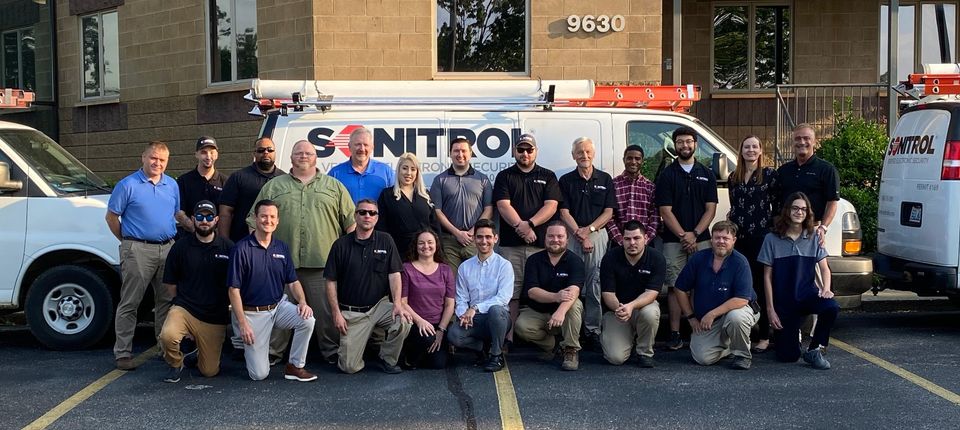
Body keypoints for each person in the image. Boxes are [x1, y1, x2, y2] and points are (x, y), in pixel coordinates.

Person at [249, 140, 355, 365]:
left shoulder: (334, 187)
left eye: (308, 153)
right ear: (291, 158)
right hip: (280, 265)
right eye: (298, 153)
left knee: (326, 313)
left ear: (316, 157)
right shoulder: (274, 186)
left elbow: (351, 224)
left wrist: (349, 258)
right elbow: (253, 220)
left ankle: (330, 351)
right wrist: (259, 254)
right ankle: (274, 352)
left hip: (322, 264)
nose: (303, 156)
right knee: (277, 310)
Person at [105, 141, 179, 370]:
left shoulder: (171, 185)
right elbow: (111, 217)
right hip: (137, 249)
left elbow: (175, 213)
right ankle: (123, 353)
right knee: (131, 302)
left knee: (166, 301)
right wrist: (128, 242)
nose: (157, 163)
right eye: (153, 158)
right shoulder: (127, 185)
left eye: (162, 160)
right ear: (143, 157)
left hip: (167, 249)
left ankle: (164, 349)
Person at [228, 200, 317, 382]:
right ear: (255, 218)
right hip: (253, 314)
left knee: (307, 320)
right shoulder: (241, 249)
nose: (267, 220)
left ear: (277, 221)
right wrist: (243, 323)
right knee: (259, 374)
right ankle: (244, 341)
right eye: (263, 216)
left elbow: (293, 282)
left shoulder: (281, 247)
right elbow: (233, 290)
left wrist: (302, 302)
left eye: (272, 217)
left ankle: (295, 366)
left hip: (278, 307)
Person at [325, 199, 413, 374]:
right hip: (352, 313)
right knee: (349, 367)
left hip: (379, 306)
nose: (367, 216)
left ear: (377, 218)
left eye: (372, 213)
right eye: (363, 212)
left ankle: (386, 358)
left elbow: (394, 274)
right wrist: (336, 313)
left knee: (404, 320)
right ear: (355, 216)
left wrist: (397, 304)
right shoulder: (340, 245)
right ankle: (360, 352)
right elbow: (330, 281)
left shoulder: (386, 240)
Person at [494, 133, 562, 345]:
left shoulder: (548, 175)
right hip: (511, 245)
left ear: (536, 152)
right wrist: (522, 228)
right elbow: (503, 205)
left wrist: (530, 224)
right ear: (515, 151)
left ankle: (550, 336)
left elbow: (552, 206)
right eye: (521, 149)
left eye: (529, 149)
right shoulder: (504, 176)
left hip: (541, 245)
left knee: (545, 290)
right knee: (511, 293)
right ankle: (509, 337)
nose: (525, 153)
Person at [758, 192, 839, 370]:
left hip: (807, 296)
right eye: (795, 208)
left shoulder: (814, 237)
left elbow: (824, 268)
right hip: (784, 304)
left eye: (803, 209)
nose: (799, 212)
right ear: (787, 211)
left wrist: (826, 289)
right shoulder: (771, 239)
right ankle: (793, 340)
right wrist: (770, 310)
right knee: (788, 357)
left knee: (831, 307)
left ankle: (814, 349)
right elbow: (767, 277)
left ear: (808, 213)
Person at [655, 126, 718, 351]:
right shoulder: (667, 175)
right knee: (675, 286)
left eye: (689, 141)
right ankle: (674, 333)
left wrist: (695, 234)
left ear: (696, 144)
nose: (685, 145)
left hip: (702, 239)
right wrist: (684, 235)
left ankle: (698, 331)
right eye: (680, 142)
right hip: (674, 240)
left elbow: (711, 209)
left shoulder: (707, 174)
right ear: (674, 145)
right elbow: (665, 211)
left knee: (701, 285)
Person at [158, 201, 234, 383]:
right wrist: (179, 304)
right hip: (185, 309)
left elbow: (235, 284)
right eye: (200, 217)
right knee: (168, 336)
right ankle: (175, 363)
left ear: (216, 220)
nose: (204, 221)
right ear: (193, 219)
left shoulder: (228, 247)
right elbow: (170, 283)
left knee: (209, 371)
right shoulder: (180, 247)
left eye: (209, 217)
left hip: (214, 316)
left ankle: (195, 353)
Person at [674, 221, 758, 370]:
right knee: (702, 358)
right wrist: (691, 317)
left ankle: (742, 355)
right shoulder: (698, 259)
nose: (721, 241)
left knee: (736, 318)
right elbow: (679, 288)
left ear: (734, 240)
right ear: (711, 239)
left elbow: (742, 299)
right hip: (709, 321)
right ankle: (729, 347)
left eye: (725, 238)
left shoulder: (740, 262)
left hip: (738, 311)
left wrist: (712, 314)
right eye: (717, 237)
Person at [558, 137, 616, 348]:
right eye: (580, 152)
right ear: (573, 155)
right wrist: (579, 234)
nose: (584, 155)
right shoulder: (566, 180)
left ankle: (592, 330)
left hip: (597, 234)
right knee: (570, 281)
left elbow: (609, 212)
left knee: (595, 283)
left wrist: (589, 231)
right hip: (572, 234)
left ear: (594, 154)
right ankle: (570, 329)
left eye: (588, 151)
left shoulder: (605, 179)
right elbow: (563, 212)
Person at [727, 136, 778, 353]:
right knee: (741, 285)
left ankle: (764, 335)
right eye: (746, 146)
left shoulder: (769, 175)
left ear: (760, 150)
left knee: (761, 285)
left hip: (761, 239)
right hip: (739, 240)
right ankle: (742, 333)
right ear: (741, 151)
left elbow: (776, 206)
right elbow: (734, 207)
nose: (751, 150)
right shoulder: (733, 177)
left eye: (755, 146)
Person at [515, 222, 585, 371]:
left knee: (574, 305)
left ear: (567, 239)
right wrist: (556, 296)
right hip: (538, 310)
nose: (555, 240)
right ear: (545, 238)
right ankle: (553, 345)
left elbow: (574, 291)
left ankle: (571, 349)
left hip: (564, 312)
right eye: (551, 236)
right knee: (522, 327)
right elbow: (532, 291)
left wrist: (560, 311)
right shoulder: (534, 260)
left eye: (560, 236)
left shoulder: (575, 261)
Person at [447, 219, 514, 372]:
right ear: (474, 239)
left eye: (488, 237)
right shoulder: (465, 267)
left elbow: (503, 298)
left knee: (496, 310)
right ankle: (482, 348)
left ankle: (496, 356)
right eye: (480, 237)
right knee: (454, 335)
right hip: (475, 319)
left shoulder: (504, 265)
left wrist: (475, 308)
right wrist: (463, 315)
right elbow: (461, 297)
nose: (484, 241)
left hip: (498, 318)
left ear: (495, 239)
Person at [599, 221, 665, 368]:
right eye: (627, 239)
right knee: (615, 358)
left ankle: (644, 353)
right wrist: (621, 309)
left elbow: (651, 293)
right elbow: (608, 294)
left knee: (651, 313)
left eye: (637, 238)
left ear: (646, 238)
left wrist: (631, 306)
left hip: (643, 307)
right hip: (616, 311)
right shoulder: (610, 258)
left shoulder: (657, 258)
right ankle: (627, 341)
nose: (632, 243)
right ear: (622, 239)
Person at [430, 137, 494, 272]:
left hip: (475, 239)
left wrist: (472, 232)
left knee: (477, 278)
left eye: (464, 151)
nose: (460, 154)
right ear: (450, 153)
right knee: (451, 281)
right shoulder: (440, 180)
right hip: (449, 240)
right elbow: (437, 211)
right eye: (456, 151)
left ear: (470, 153)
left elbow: (488, 209)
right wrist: (457, 233)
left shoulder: (483, 179)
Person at [399, 229, 456, 369]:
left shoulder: (445, 270)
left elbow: (449, 304)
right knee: (427, 339)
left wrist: (441, 330)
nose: (426, 246)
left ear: (436, 245)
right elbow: (402, 302)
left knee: (438, 364)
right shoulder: (407, 268)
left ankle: (424, 353)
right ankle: (409, 355)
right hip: (415, 322)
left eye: (430, 242)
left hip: (438, 324)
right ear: (415, 246)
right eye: (421, 243)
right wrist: (420, 321)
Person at [776, 124, 840, 246]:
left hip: (813, 232)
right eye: (798, 138)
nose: (802, 142)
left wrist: (823, 228)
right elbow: (776, 201)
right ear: (793, 142)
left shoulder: (827, 170)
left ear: (814, 142)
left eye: (806, 138)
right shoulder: (783, 171)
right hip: (785, 232)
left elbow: (832, 202)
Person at [218, 137, 285, 243]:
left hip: (275, 244)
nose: (266, 152)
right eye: (261, 150)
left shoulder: (284, 179)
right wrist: (224, 242)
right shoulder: (238, 177)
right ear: (254, 154)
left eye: (270, 150)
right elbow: (225, 212)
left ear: (275, 152)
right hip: (242, 242)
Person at [376, 152, 439, 259]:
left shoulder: (425, 195)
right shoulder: (387, 195)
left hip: (424, 254)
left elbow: (435, 225)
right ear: (398, 170)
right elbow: (381, 227)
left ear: (417, 172)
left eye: (413, 169)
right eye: (405, 168)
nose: (409, 173)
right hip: (397, 253)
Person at [606, 145, 659, 245]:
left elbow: (654, 218)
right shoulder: (613, 185)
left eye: (637, 158)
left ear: (642, 161)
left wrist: (645, 240)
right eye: (629, 158)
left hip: (645, 244)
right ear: (624, 160)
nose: (633, 162)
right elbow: (608, 217)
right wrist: (621, 241)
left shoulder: (650, 187)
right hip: (619, 243)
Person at [328, 126, 395, 203]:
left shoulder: (386, 172)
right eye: (358, 144)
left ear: (372, 147)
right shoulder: (335, 174)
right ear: (349, 146)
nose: (362, 149)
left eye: (366, 145)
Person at [175, 136, 226, 236]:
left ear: (217, 155)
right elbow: (179, 212)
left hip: (216, 239)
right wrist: (198, 232)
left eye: (212, 152)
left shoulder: (226, 182)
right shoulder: (184, 181)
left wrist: (212, 235)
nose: (208, 157)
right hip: (189, 238)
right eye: (203, 152)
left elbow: (227, 214)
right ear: (196, 154)